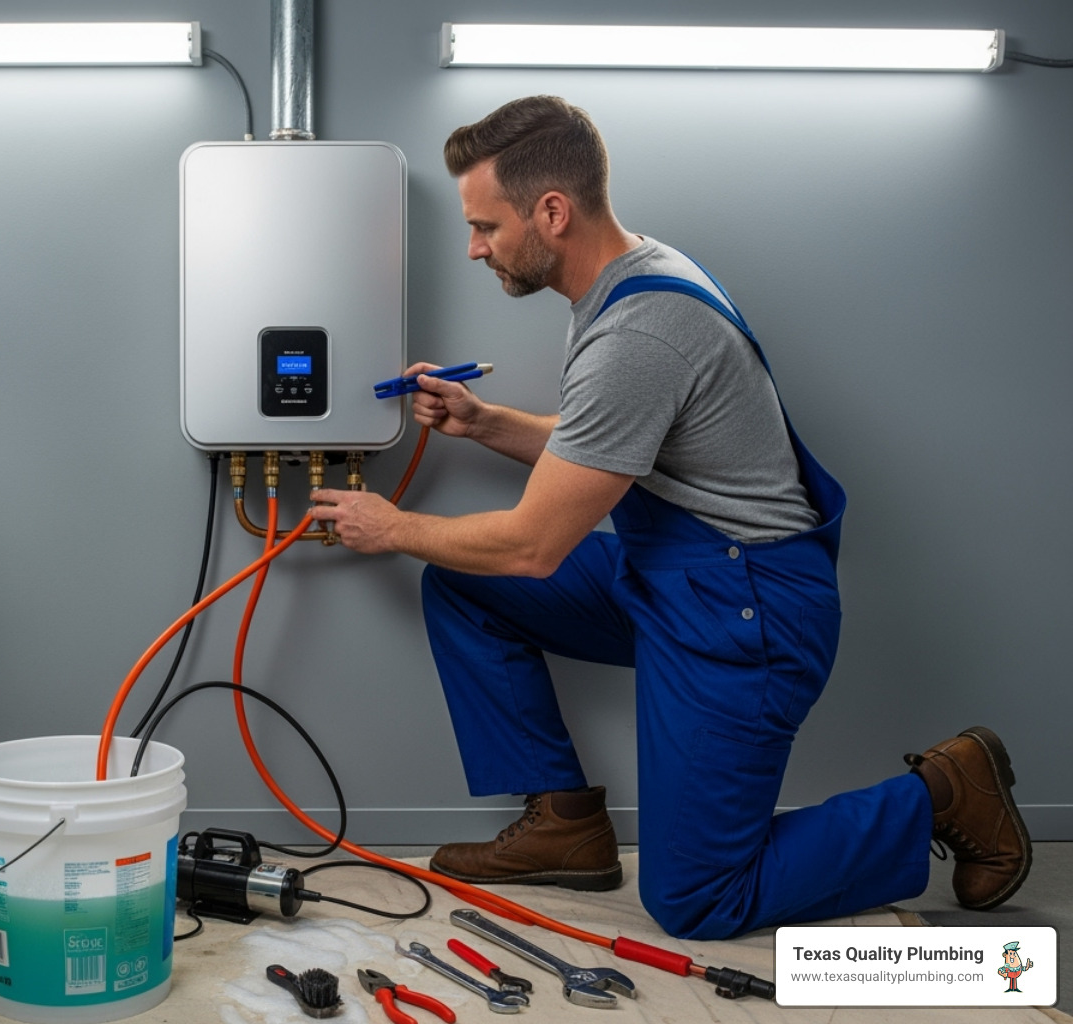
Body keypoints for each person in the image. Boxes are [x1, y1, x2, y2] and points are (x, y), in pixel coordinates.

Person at [308, 95, 1030, 940]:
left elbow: (535, 546)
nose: (474, 247)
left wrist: (390, 527)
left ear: (552, 212)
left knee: (697, 899)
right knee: (463, 587)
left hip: (746, 609)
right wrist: (485, 421)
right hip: (681, 574)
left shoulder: (638, 335)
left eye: (485, 226)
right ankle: (565, 823)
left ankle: (946, 790)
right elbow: (609, 444)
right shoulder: (631, 277)